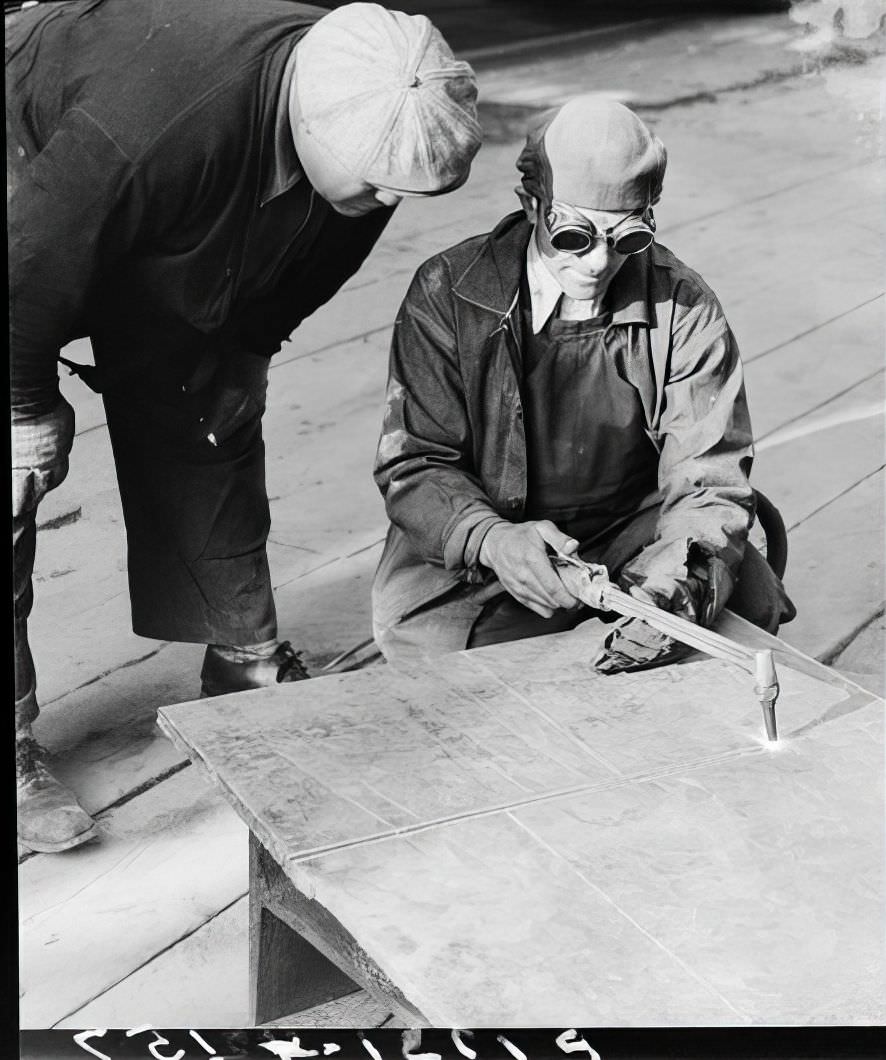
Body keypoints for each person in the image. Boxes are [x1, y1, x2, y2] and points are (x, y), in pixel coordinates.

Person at [8, 0, 481, 853]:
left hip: (153, 194)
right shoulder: (151, 128)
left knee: (212, 399)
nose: (383, 200)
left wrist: (239, 356)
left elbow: (296, 274)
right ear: (309, 122)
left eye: (398, 189)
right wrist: (23, 406)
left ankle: (243, 660)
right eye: (375, 181)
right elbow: (20, 270)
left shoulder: (364, 118)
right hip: (22, 176)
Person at [372, 95, 795, 669]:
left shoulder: (682, 305)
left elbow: (709, 479)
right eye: (574, 236)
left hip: (632, 530)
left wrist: (664, 593)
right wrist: (493, 539)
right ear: (530, 203)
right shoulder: (449, 295)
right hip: (497, 539)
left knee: (745, 601)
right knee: (434, 648)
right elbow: (416, 463)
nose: (597, 263)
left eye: (627, 240)